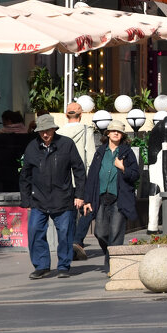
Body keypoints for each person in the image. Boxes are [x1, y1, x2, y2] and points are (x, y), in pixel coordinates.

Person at [19, 113, 87, 279]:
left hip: (63, 197)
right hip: (38, 199)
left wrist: (79, 195)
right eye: (41, 131)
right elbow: (25, 175)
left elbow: (79, 170)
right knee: (35, 231)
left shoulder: (66, 144)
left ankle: (63, 265)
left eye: (47, 130)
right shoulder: (32, 147)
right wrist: (26, 199)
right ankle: (42, 266)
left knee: (65, 233)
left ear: (53, 129)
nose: (45, 134)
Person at [79, 119, 139, 269]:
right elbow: (92, 177)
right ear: (108, 133)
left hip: (119, 198)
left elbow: (135, 175)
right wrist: (87, 200)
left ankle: (112, 265)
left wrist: (123, 168)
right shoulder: (100, 152)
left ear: (123, 135)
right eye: (113, 131)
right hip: (101, 198)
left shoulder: (127, 152)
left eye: (118, 131)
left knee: (116, 232)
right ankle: (111, 254)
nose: (116, 133)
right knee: (100, 232)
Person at [58, 102, 96, 260]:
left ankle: (70, 247)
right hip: (83, 178)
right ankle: (77, 241)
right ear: (81, 115)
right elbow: (91, 155)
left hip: (64, 180)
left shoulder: (58, 133)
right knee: (89, 209)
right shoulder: (87, 131)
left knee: (70, 213)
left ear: (66, 116)